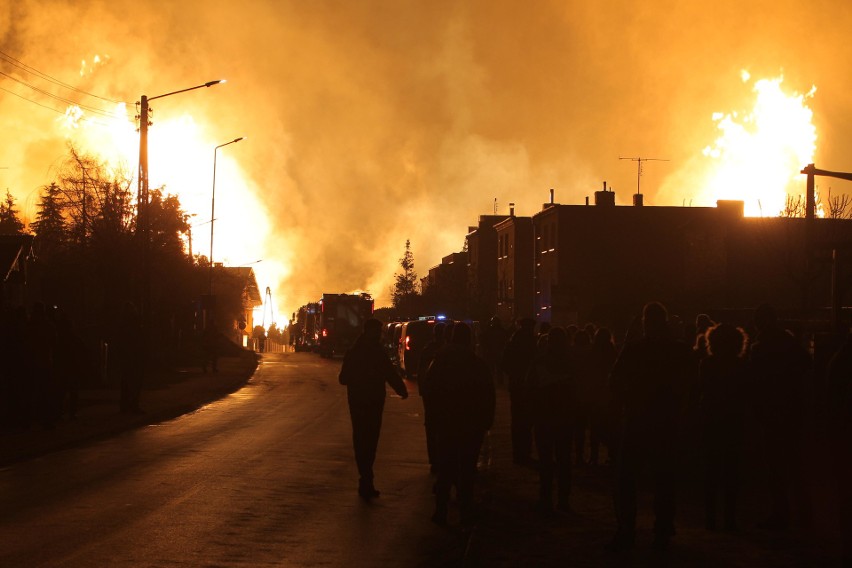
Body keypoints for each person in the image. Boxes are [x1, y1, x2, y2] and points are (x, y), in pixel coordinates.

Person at [608, 301, 694, 552]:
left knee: (626, 479)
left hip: (637, 420)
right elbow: (688, 384)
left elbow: (614, 380)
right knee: (664, 478)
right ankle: (663, 530)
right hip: (666, 421)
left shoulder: (635, 350)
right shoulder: (679, 350)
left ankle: (627, 530)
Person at [748, 303, 811, 531]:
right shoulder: (789, 343)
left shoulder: (760, 347)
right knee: (795, 465)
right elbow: (807, 363)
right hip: (792, 411)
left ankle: (781, 512)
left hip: (772, 413)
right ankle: (804, 513)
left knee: (775, 467)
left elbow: (754, 383)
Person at [426, 322, 495, 526]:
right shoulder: (476, 363)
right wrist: (486, 420)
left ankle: (441, 511)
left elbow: (429, 389)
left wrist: (434, 417)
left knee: (446, 468)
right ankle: (465, 511)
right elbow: (487, 393)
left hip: (446, 423)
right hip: (470, 425)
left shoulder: (440, 361)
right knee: (466, 470)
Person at [339, 318, 409, 500]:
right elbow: (389, 373)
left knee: (361, 439)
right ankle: (366, 479)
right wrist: (401, 389)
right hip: (373, 402)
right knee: (370, 440)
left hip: (357, 402)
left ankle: (365, 478)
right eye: (377, 332)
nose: (379, 336)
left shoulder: (354, 352)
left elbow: (343, 378)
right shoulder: (376, 352)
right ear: (372, 332)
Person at [697, 323, 749, 531]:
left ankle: (710, 518)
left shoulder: (707, 364)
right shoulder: (741, 365)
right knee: (731, 472)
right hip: (734, 421)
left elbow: (702, 391)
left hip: (712, 421)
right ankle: (730, 519)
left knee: (711, 471)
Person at [526, 326, 575, 515]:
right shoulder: (571, 363)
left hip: (544, 418)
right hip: (564, 417)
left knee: (546, 461)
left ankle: (545, 498)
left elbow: (529, 388)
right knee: (564, 461)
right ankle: (563, 500)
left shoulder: (539, 361)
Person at [501, 318, 538, 464]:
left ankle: (518, 452)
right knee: (527, 420)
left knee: (518, 420)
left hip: (517, 385)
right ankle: (525, 451)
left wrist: (514, 375)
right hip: (528, 386)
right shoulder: (531, 342)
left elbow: (505, 362)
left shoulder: (514, 341)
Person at [417, 321, 447, 473]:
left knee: (432, 428)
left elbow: (422, 372)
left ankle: (435, 461)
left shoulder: (429, 350)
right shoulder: (447, 351)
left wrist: (423, 390)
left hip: (432, 396)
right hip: (445, 397)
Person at [588, 327, 617, 466]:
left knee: (595, 425)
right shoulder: (611, 351)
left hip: (595, 391)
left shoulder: (593, 351)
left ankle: (593, 456)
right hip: (608, 392)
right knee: (610, 425)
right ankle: (611, 455)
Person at [114, 302, 144, 414]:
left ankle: (125, 406)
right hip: (134, 357)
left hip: (127, 357)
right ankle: (132, 405)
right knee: (134, 382)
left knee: (126, 382)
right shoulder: (135, 324)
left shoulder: (122, 325)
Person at [481, 316, 509, 386]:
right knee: (498, 369)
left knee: (492, 369)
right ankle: (499, 382)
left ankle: (492, 382)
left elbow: (483, 340)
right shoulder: (502, 331)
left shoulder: (489, 331)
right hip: (498, 352)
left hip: (492, 352)